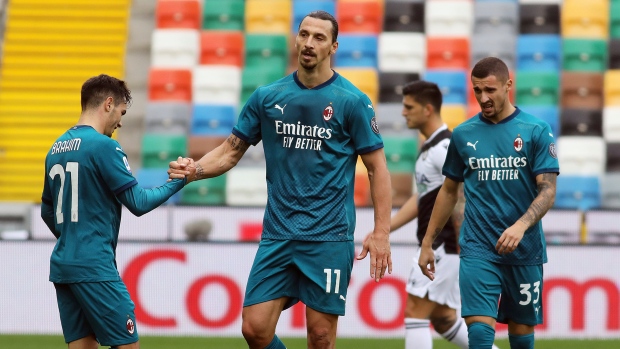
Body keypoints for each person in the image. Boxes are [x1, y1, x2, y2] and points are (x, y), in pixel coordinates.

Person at [168, 10, 392, 349]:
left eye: (319, 37)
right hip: (279, 233)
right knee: (254, 329)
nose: (309, 43)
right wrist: (194, 171)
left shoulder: (353, 102)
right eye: (304, 34)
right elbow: (230, 151)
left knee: (320, 338)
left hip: (329, 237)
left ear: (333, 46)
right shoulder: (266, 97)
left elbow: (377, 169)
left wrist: (381, 232)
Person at [418, 57, 559, 349]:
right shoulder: (463, 134)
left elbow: (547, 191)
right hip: (478, 247)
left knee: (521, 337)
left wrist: (520, 226)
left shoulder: (536, 130)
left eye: (490, 90)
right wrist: (427, 243)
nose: (483, 98)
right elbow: (448, 191)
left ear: (508, 85)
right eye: (477, 90)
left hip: (525, 248)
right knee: (480, 335)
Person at [41, 74, 186, 349]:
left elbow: (48, 210)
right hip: (94, 266)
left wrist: (73, 236)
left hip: (63, 266)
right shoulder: (104, 146)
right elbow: (139, 203)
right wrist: (179, 181)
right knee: (127, 345)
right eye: (121, 112)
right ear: (108, 104)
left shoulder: (55, 149)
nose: (120, 122)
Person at [372, 80, 500, 349]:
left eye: (409, 107)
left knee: (414, 313)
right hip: (444, 246)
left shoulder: (444, 148)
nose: (404, 113)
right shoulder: (432, 146)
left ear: (427, 109)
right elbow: (424, 198)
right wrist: (382, 230)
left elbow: (464, 192)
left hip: (444, 246)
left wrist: (466, 245)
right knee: (443, 319)